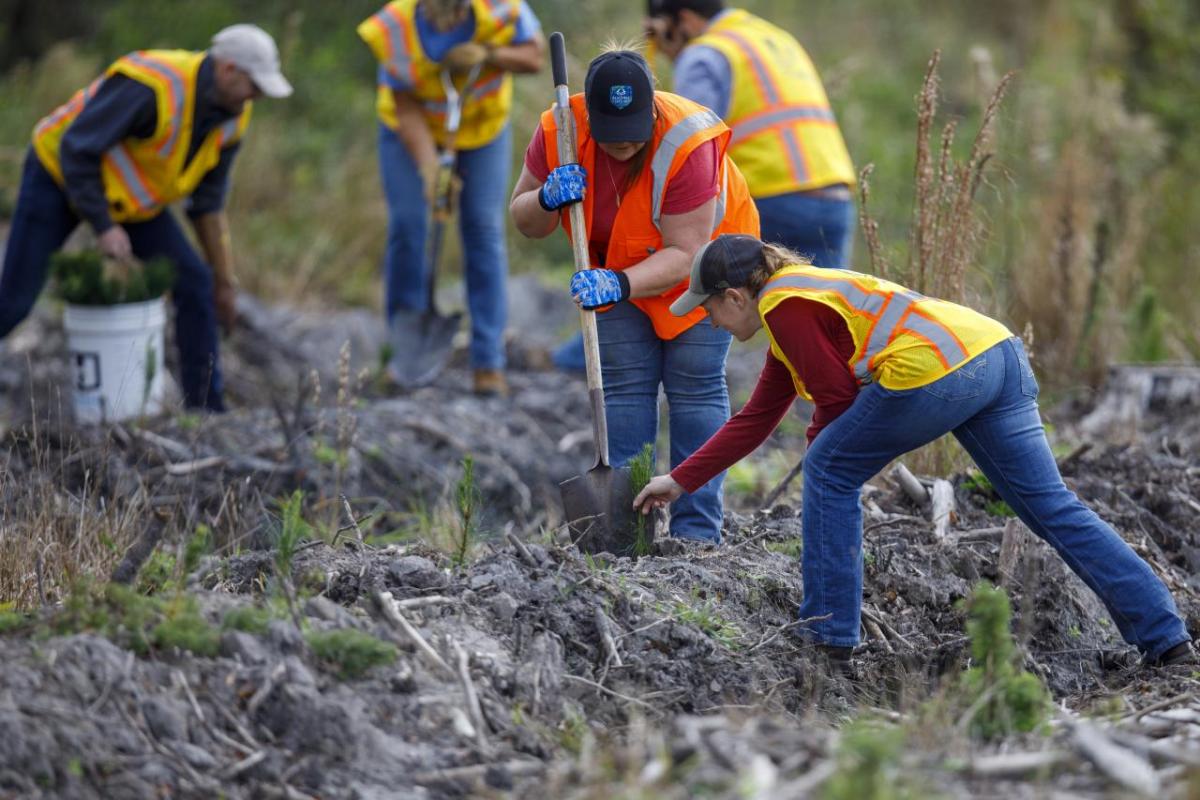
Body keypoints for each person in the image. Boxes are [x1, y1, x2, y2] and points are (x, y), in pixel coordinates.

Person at [633, 234, 1196, 666]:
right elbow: (757, 419)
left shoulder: (785, 305)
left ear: (734, 295)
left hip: (938, 374)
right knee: (1052, 506)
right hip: (995, 353)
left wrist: (824, 452)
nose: (707, 318)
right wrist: (680, 480)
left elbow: (833, 400)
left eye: (708, 308)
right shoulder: (801, 299)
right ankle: (1165, 639)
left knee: (829, 473)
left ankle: (827, 637)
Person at [510, 48, 760, 543]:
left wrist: (618, 284)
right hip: (615, 261)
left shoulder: (687, 139)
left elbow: (688, 251)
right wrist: (546, 198)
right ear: (590, 114)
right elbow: (524, 219)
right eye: (609, 135)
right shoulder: (561, 130)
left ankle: (696, 533)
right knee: (624, 386)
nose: (621, 144)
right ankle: (624, 531)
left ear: (652, 110)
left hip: (705, 270)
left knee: (693, 384)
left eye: (631, 132)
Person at [0, 24, 292, 412]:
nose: (258, 96)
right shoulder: (153, 86)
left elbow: (207, 204)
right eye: (254, 84)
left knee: (195, 283)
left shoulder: (233, 117)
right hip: (58, 174)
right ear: (228, 70)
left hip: (130, 200)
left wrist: (224, 282)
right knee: (15, 301)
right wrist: (103, 226)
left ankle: (205, 412)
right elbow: (77, 149)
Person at [358, 0, 544, 397]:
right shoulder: (394, 27)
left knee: (482, 228)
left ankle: (488, 362)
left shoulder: (502, 9)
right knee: (409, 226)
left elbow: (535, 56)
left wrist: (491, 54)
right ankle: (402, 355)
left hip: (482, 130)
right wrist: (430, 169)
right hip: (411, 128)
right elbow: (403, 103)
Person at [644, 0, 857, 267]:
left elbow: (686, 141)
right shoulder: (774, 38)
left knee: (737, 300)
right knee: (823, 302)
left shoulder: (703, 54)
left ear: (684, 20)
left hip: (770, 197)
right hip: (833, 193)